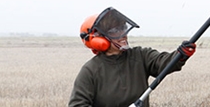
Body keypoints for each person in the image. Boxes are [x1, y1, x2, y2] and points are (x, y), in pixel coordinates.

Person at [68, 7, 196, 107]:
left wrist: (180, 55)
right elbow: (77, 105)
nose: (123, 34)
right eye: (114, 31)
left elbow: (163, 63)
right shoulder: (90, 71)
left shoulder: (140, 55)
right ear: (99, 39)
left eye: (123, 28)